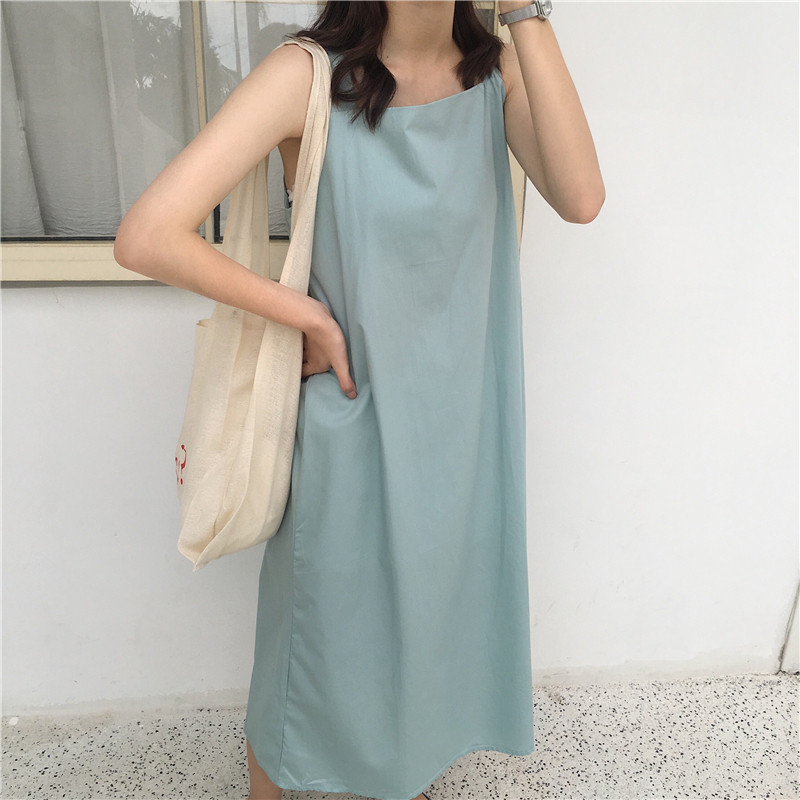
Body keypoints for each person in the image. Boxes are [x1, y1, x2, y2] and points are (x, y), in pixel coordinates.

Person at [114, 2, 604, 799]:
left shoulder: (499, 74)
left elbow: (581, 197)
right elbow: (147, 234)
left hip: (464, 433)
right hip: (352, 418)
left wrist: (524, 13)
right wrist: (301, 314)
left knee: (425, 648)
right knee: (311, 658)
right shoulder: (306, 76)